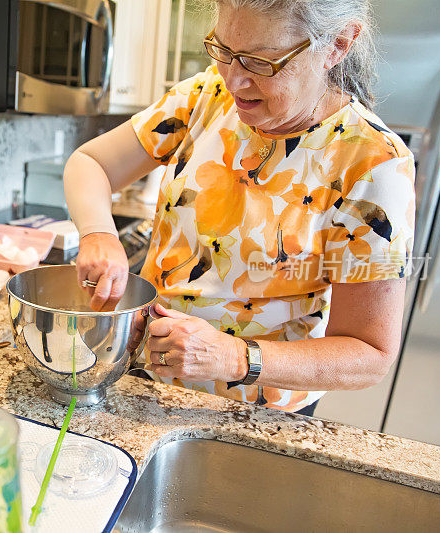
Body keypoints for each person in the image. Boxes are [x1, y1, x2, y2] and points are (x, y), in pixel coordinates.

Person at [63, 0, 415, 415]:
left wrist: (234, 357)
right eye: (225, 51)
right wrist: (98, 233)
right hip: (146, 382)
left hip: (255, 414)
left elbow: (369, 353)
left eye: (260, 63)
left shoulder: (372, 163)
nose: (235, 80)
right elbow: (92, 163)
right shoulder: (206, 96)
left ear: (338, 45)